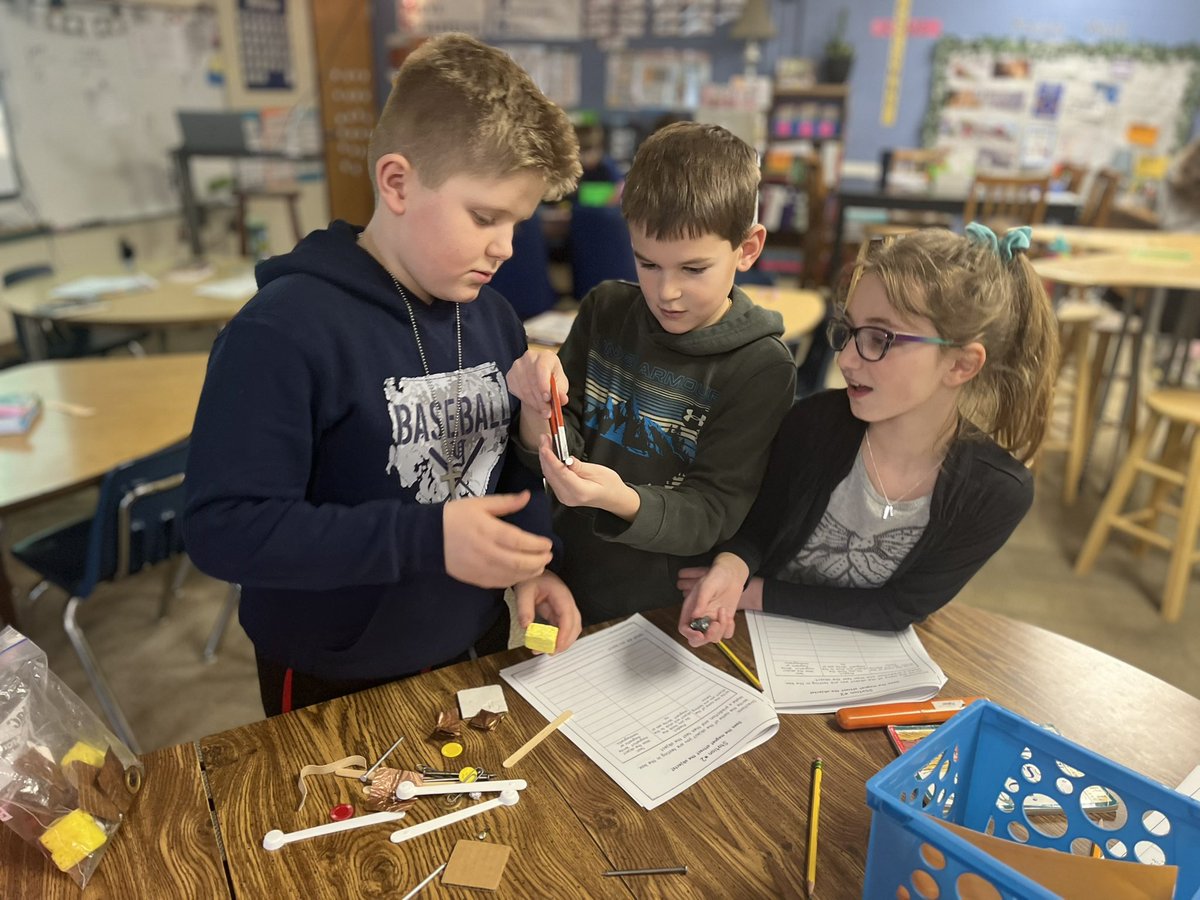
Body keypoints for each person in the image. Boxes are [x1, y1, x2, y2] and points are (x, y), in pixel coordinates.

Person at [183, 33, 583, 716]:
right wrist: (425, 539)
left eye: (517, 222)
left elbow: (499, 476)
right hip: (333, 671)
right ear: (396, 182)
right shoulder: (281, 331)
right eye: (485, 216)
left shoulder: (492, 317)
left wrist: (530, 562)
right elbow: (225, 530)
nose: (505, 247)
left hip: (473, 637)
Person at [678, 224, 1060, 645]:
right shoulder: (812, 424)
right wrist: (732, 568)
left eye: (879, 338)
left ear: (961, 365)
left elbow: (899, 607)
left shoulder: (997, 492)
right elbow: (760, 525)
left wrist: (755, 593)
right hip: (756, 638)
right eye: (849, 331)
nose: (845, 359)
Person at [506, 122, 797, 625]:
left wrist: (619, 498)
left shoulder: (761, 367)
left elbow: (713, 509)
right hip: (573, 577)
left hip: (666, 606)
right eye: (647, 263)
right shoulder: (604, 310)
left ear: (747, 249)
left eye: (693, 269)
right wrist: (537, 406)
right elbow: (556, 444)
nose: (667, 293)